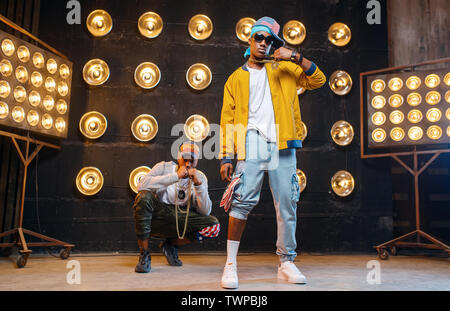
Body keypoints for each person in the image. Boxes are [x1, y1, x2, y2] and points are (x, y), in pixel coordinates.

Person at [219, 16, 326, 288]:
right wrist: (226, 156)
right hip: (251, 141)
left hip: (282, 141)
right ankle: (230, 264)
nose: (264, 43)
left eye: (270, 40)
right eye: (259, 37)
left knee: (287, 202)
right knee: (241, 200)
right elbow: (227, 120)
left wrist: (295, 56)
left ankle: (286, 262)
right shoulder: (235, 78)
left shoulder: (285, 70)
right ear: (250, 39)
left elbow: (319, 79)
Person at [132, 142, 220, 273]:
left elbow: (206, 211)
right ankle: (144, 254)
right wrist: (175, 176)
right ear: (179, 157)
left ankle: (171, 245)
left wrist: (198, 185)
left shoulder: (200, 177)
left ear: (197, 161)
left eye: (192, 160)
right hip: (159, 216)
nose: (188, 164)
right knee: (143, 196)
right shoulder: (163, 167)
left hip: (182, 219)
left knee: (213, 226)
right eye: (185, 159)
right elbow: (141, 185)